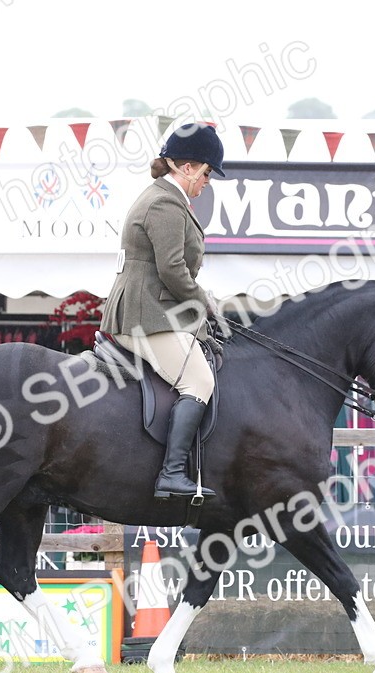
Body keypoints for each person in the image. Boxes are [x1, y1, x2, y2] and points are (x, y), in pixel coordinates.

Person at [101, 123, 225, 499]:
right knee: (199, 382)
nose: (206, 182)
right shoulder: (164, 203)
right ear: (187, 167)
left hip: (152, 310)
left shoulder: (166, 199)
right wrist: (205, 304)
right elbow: (173, 269)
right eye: (206, 173)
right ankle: (171, 474)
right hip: (145, 315)